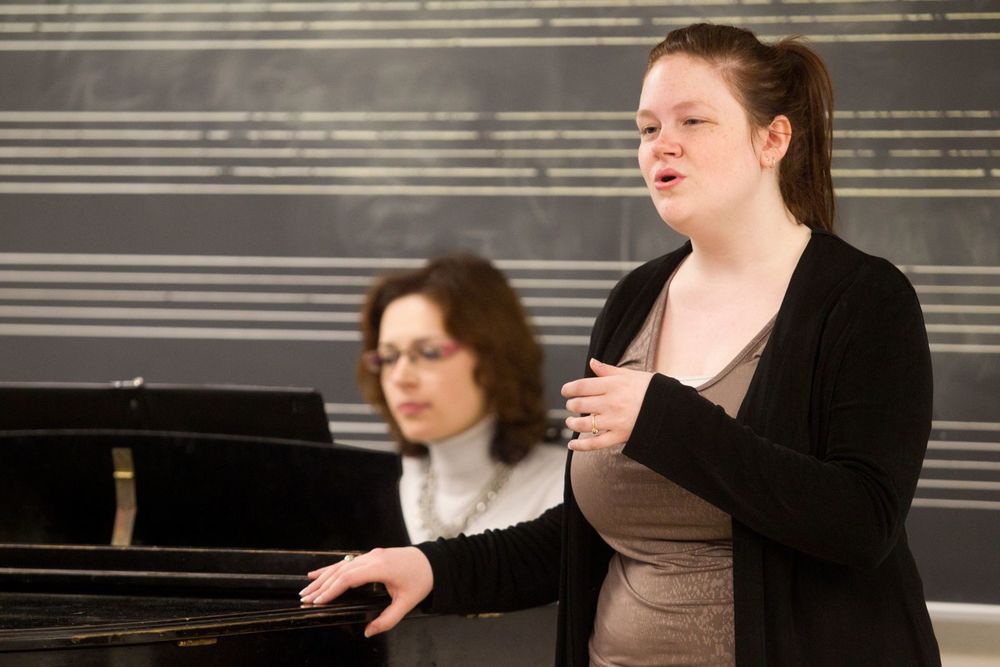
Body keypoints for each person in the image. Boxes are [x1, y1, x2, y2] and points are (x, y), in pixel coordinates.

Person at [300, 23, 940, 666]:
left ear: (772, 138)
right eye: (648, 128)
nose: (665, 146)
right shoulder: (636, 299)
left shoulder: (863, 299)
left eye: (693, 122)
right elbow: (578, 539)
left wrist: (666, 420)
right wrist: (432, 568)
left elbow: (863, 523)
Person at [354, 253, 565, 544]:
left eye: (429, 352)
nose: (401, 377)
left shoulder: (566, 489)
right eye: (389, 357)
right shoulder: (382, 488)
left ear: (494, 357)